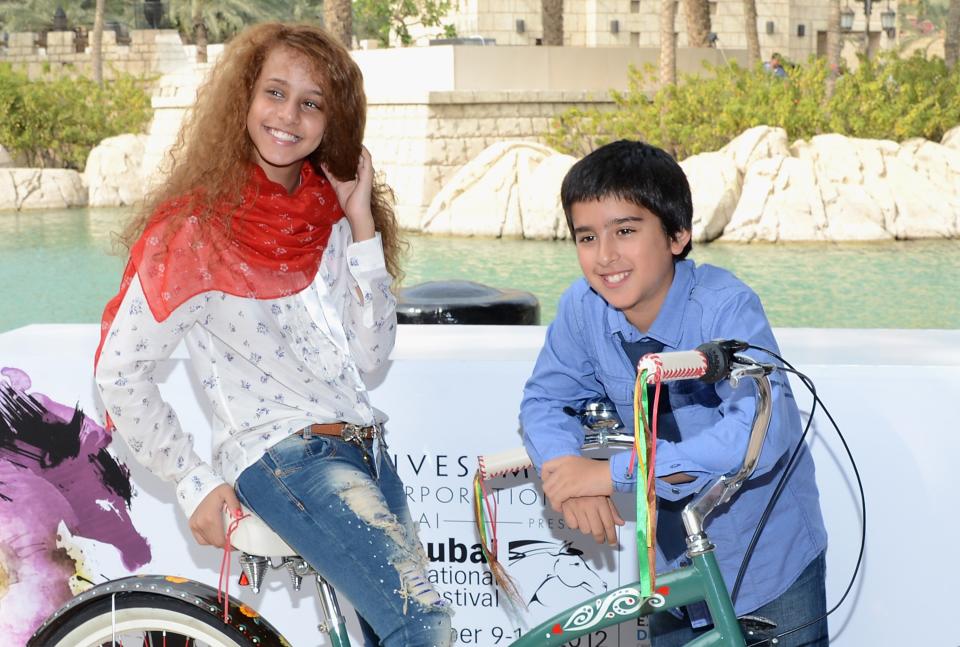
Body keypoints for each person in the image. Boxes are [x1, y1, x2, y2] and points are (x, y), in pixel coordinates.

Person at [94, 22, 451, 647]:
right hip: (286, 458)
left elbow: (371, 354)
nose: (290, 115)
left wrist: (360, 219)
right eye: (275, 93)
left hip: (364, 449)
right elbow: (120, 372)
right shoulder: (195, 228)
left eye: (312, 103)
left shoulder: (329, 216)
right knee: (422, 623)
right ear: (244, 100)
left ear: (332, 121)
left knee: (389, 633)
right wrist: (191, 480)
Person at [520, 140, 828, 646]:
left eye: (625, 231)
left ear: (678, 235)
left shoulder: (725, 307)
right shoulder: (582, 309)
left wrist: (609, 473)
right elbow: (545, 400)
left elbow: (758, 433)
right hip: (667, 570)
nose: (605, 256)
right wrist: (566, 472)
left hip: (766, 562)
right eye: (587, 237)